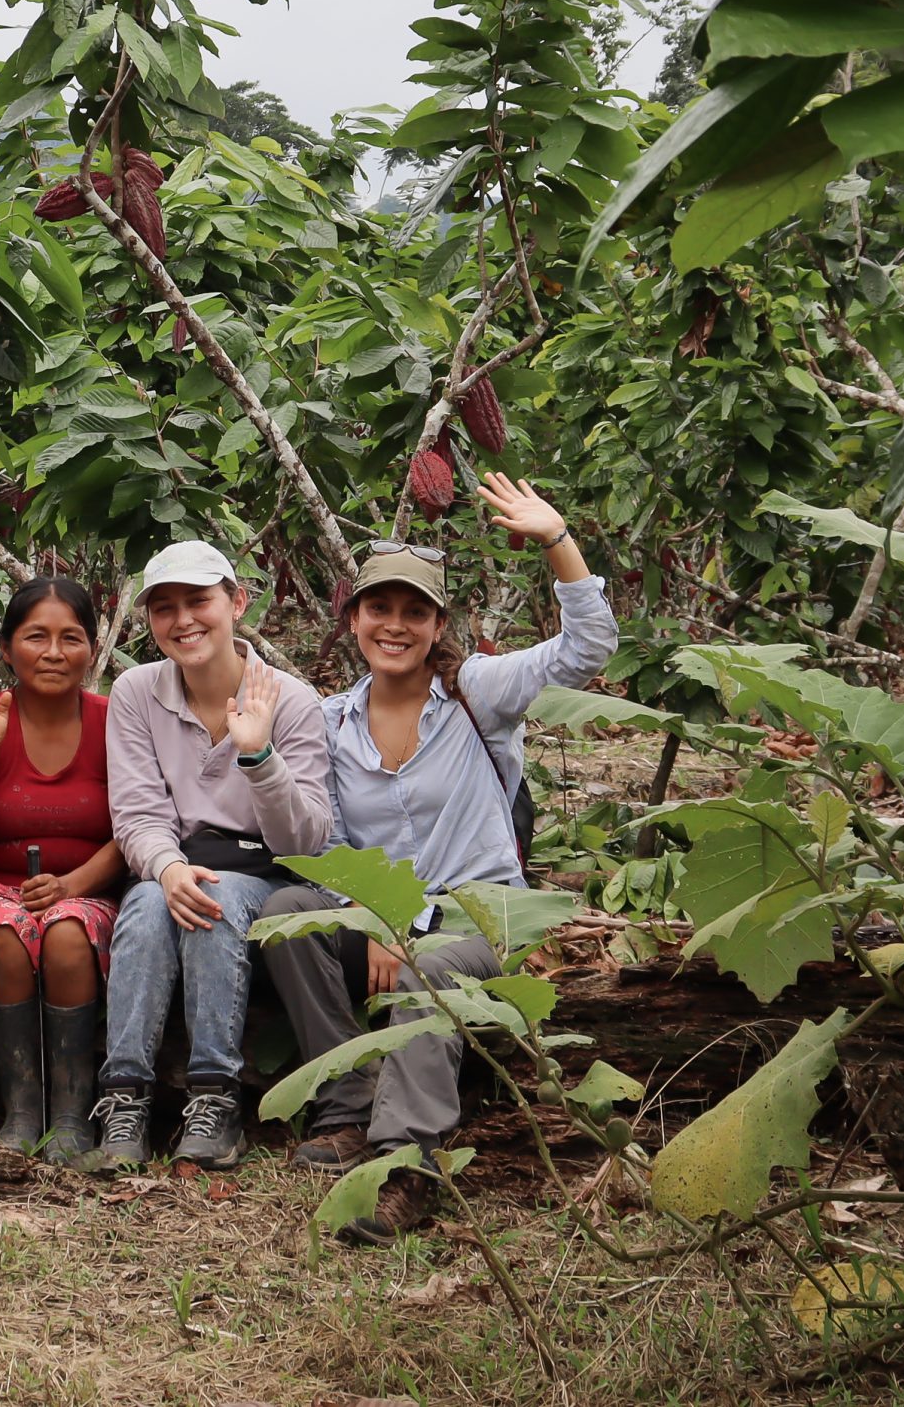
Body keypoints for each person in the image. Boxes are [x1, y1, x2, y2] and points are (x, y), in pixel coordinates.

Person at [266, 474, 616, 1244]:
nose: (395, 625)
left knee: (432, 968)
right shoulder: (330, 722)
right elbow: (320, 848)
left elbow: (588, 649)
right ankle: (350, 1105)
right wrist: (382, 916)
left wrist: (557, 539)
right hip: (385, 915)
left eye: (413, 611)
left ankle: (406, 1165)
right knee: (283, 913)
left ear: (436, 622)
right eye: (379, 608)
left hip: (482, 910)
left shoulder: (475, 691)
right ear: (352, 617)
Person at [98, 539, 332, 1171]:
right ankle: (124, 1098)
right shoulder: (137, 693)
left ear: (237, 603)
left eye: (199, 601)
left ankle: (215, 1096)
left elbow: (304, 843)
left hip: (268, 873)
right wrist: (167, 867)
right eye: (164, 607)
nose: (184, 621)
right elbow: (140, 814)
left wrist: (257, 756)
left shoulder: (293, 700)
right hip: (178, 858)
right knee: (148, 903)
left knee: (217, 895)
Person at [0, 577, 123, 1162]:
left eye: (70, 638)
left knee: (67, 933)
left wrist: (73, 885)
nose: (53, 652)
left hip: (90, 885)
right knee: (5, 935)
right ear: (5, 648)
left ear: (92, 649)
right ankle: (21, 1110)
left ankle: (73, 1114)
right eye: (36, 637)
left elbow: (135, 828)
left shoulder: (113, 720)